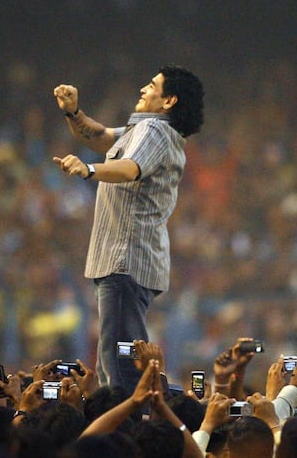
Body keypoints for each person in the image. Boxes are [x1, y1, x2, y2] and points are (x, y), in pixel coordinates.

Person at [52, 65, 205, 392]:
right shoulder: (147, 131)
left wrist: (89, 170)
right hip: (126, 261)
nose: (143, 89)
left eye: (152, 86)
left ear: (168, 101)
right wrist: (74, 113)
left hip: (126, 260)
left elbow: (130, 169)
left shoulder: (155, 132)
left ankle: (128, 431)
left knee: (120, 369)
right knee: (112, 361)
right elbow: (101, 137)